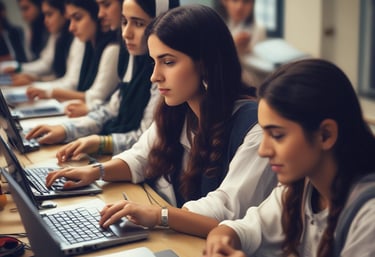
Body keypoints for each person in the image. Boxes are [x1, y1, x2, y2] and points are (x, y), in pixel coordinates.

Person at [40, 4, 276, 238]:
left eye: (168, 62)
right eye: (154, 62)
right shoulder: (178, 109)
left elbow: (225, 210)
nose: (155, 76)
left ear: (205, 63)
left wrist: (159, 215)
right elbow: (141, 156)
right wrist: (95, 171)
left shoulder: (254, 129)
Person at [203, 59, 375, 257]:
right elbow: (242, 229)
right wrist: (221, 241)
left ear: (325, 135)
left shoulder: (368, 214)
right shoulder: (300, 189)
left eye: (277, 135)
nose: (263, 150)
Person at [25, 0, 180, 155]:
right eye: (124, 22)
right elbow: (113, 108)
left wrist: (101, 143)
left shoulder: (163, 76)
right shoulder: (133, 60)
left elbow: (145, 140)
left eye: (139, 24)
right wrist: (67, 130)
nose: (126, 33)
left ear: (162, 25)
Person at [25, 0, 120, 116]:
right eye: (70, 20)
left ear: (95, 15)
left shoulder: (112, 49)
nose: (71, 27)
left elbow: (94, 96)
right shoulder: (88, 44)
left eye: (78, 18)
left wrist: (49, 92)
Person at [8, 0, 74, 86]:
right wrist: (37, 79)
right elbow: (50, 66)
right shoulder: (56, 34)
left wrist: (36, 83)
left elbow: (71, 82)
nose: (45, 21)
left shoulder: (74, 37)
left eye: (49, 14)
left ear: (64, 13)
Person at [216, 0, 266, 87]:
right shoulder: (215, 27)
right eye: (235, 1)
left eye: (246, 2)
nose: (240, 7)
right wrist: (231, 47)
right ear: (224, 1)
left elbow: (261, 73)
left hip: (249, 87)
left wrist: (250, 52)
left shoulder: (258, 30)